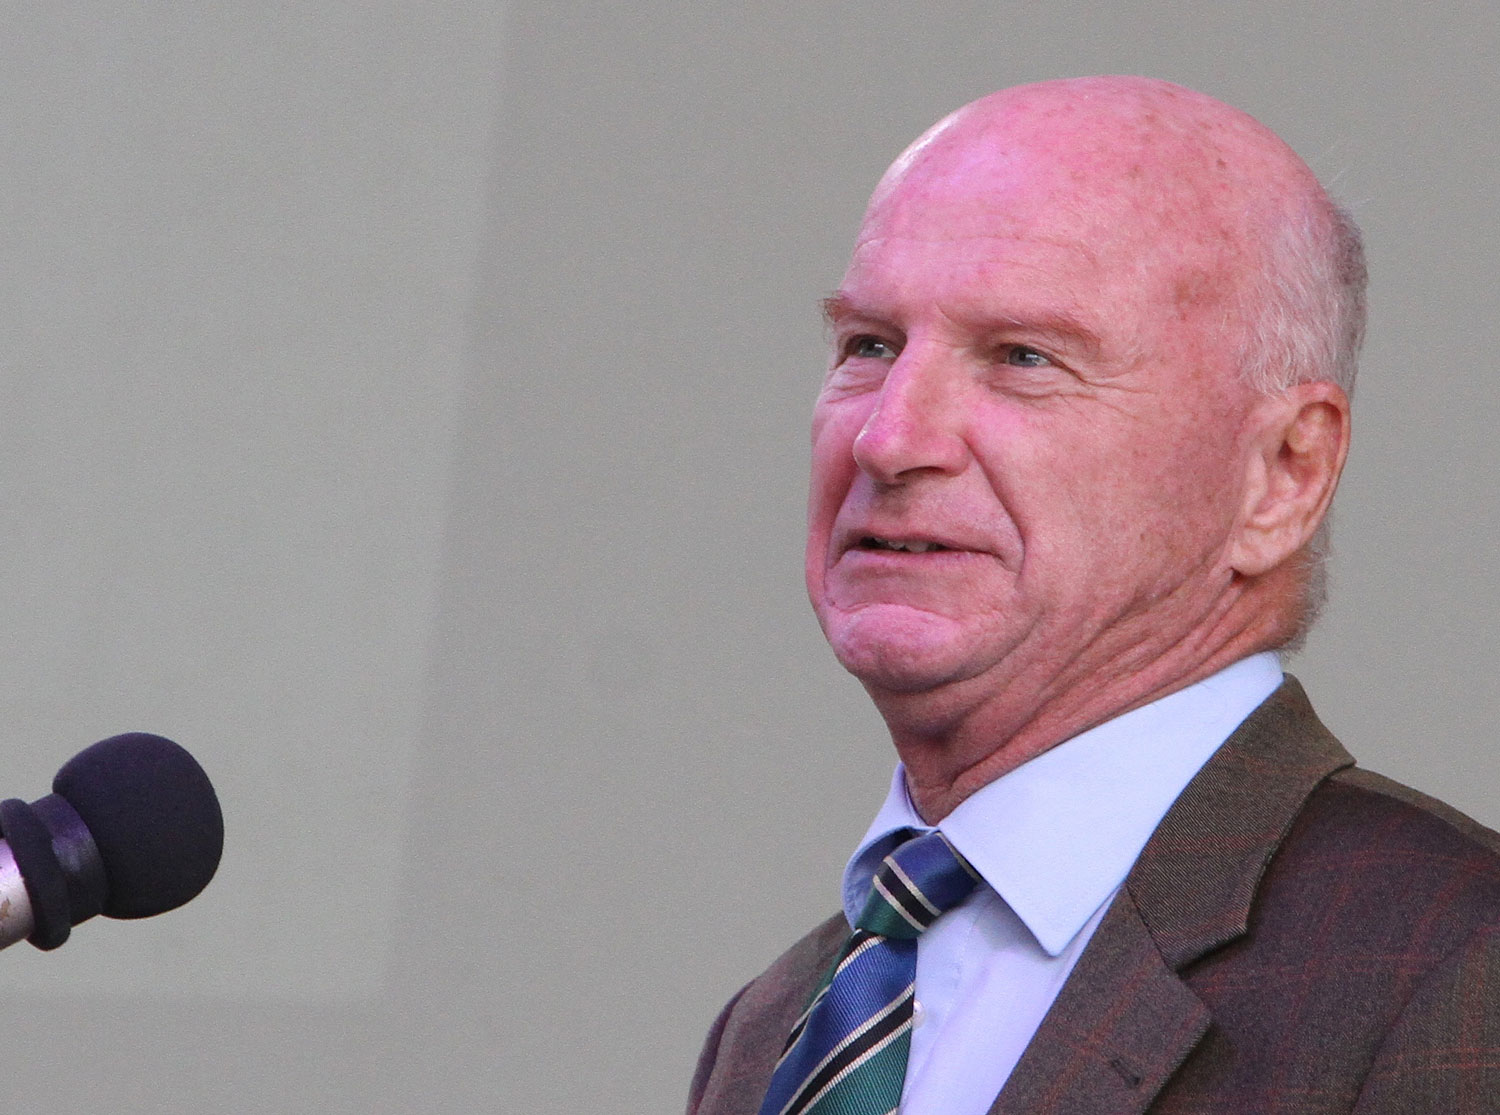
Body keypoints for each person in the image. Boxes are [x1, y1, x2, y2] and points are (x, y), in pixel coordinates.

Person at [687, 76, 1500, 1115]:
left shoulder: (1455, 967)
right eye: (869, 346)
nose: (890, 437)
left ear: (1284, 472)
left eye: (1025, 357)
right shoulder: (776, 1022)